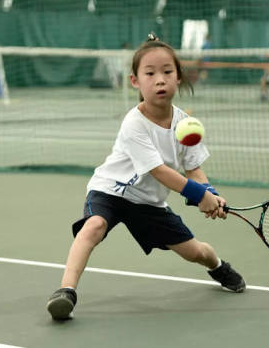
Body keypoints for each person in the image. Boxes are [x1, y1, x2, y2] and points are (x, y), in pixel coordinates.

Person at [45, 34, 245, 321]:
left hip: (150, 204)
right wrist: (200, 196)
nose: (160, 80)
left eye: (167, 72)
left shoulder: (186, 125)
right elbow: (159, 171)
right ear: (135, 82)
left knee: (195, 252)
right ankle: (66, 292)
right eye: (150, 74)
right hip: (110, 191)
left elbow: (194, 170)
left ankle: (218, 267)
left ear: (178, 77)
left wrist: (209, 191)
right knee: (94, 226)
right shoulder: (133, 123)